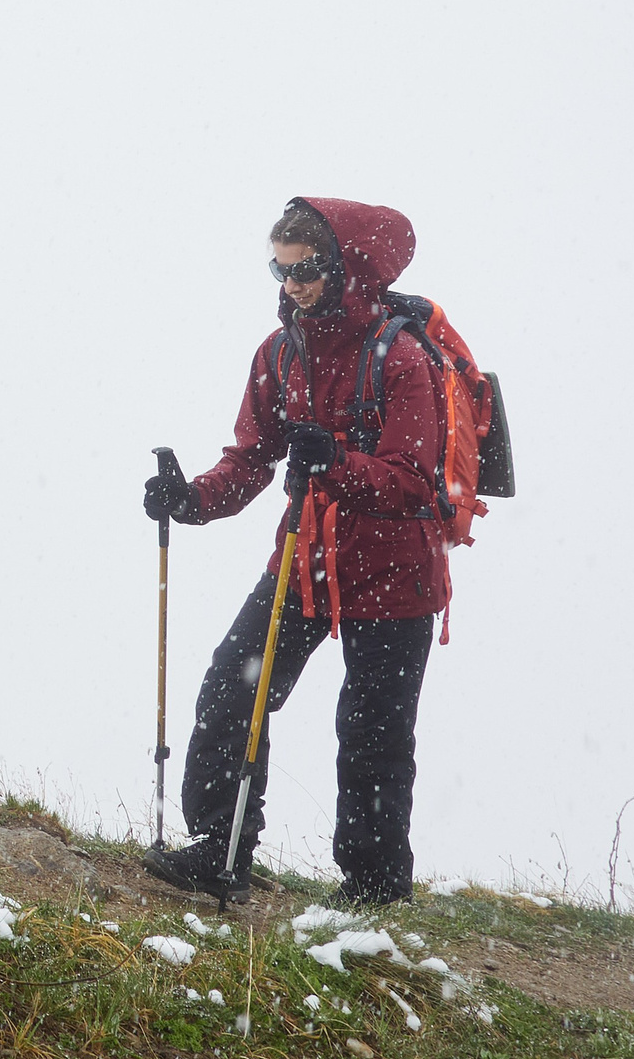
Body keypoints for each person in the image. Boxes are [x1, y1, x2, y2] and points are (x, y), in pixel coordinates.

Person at [141, 198, 450, 905]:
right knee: (233, 685)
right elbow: (251, 461)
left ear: (345, 268)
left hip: (396, 575)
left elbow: (412, 483)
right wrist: (190, 499)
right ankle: (219, 849)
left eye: (305, 270)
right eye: (279, 271)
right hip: (308, 562)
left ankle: (374, 892)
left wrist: (334, 463)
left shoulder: (401, 359)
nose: (290, 286)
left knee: (371, 731)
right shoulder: (279, 354)